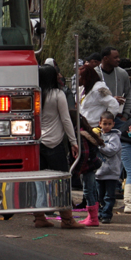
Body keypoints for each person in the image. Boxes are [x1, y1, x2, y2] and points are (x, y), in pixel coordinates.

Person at [33, 65, 84, 230]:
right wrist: (73, 141)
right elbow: (66, 119)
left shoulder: (35, 94)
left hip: (38, 143)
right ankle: (67, 219)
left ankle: (39, 217)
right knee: (62, 182)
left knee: (39, 182)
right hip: (55, 143)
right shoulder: (58, 94)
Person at [70, 109, 104, 227]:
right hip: (91, 165)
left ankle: (93, 218)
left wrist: (77, 171)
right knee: (91, 190)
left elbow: (84, 154)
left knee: (88, 190)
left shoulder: (79, 134)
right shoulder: (85, 131)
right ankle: (92, 216)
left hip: (88, 166)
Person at [96, 111, 122, 224]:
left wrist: (99, 144)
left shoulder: (114, 136)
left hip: (111, 172)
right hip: (99, 172)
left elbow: (111, 150)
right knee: (100, 196)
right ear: (100, 123)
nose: (107, 126)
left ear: (113, 124)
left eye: (109, 124)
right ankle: (101, 213)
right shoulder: (97, 135)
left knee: (109, 196)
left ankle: (106, 215)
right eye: (104, 123)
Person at [96, 46, 131, 120]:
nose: (118, 60)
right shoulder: (95, 74)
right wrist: (111, 100)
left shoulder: (122, 73)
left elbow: (128, 95)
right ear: (106, 58)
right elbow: (91, 98)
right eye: (115, 58)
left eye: (118, 57)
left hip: (119, 117)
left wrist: (125, 116)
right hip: (99, 118)